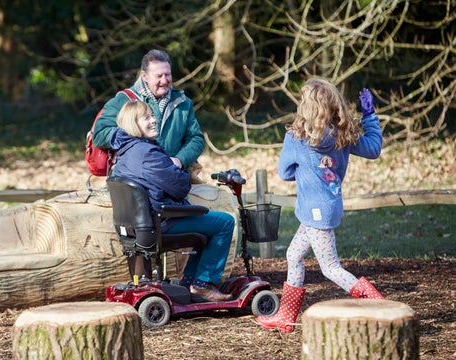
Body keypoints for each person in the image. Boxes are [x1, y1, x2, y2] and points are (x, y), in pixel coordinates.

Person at [256, 78, 384, 334]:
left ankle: (377, 303)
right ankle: (286, 317)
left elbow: (284, 172)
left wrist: (303, 172)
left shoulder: (297, 137)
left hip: (315, 212)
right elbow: (373, 149)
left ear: (307, 107)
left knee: (331, 268)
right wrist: (369, 114)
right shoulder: (343, 134)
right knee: (293, 255)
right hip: (330, 206)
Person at [110, 100, 235, 302]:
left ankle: (189, 282)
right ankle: (203, 284)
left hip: (139, 226)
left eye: (152, 115)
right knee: (224, 222)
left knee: (205, 228)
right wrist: (181, 172)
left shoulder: (124, 152)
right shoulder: (147, 153)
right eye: (147, 117)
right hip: (161, 222)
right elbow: (180, 186)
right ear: (133, 123)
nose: (153, 120)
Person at [93, 49, 205, 174]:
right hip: (132, 179)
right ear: (144, 76)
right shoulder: (123, 100)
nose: (164, 80)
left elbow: (196, 139)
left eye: (167, 74)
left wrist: (179, 160)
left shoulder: (184, 103)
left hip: (173, 179)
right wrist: (134, 132)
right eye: (158, 76)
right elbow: (99, 135)